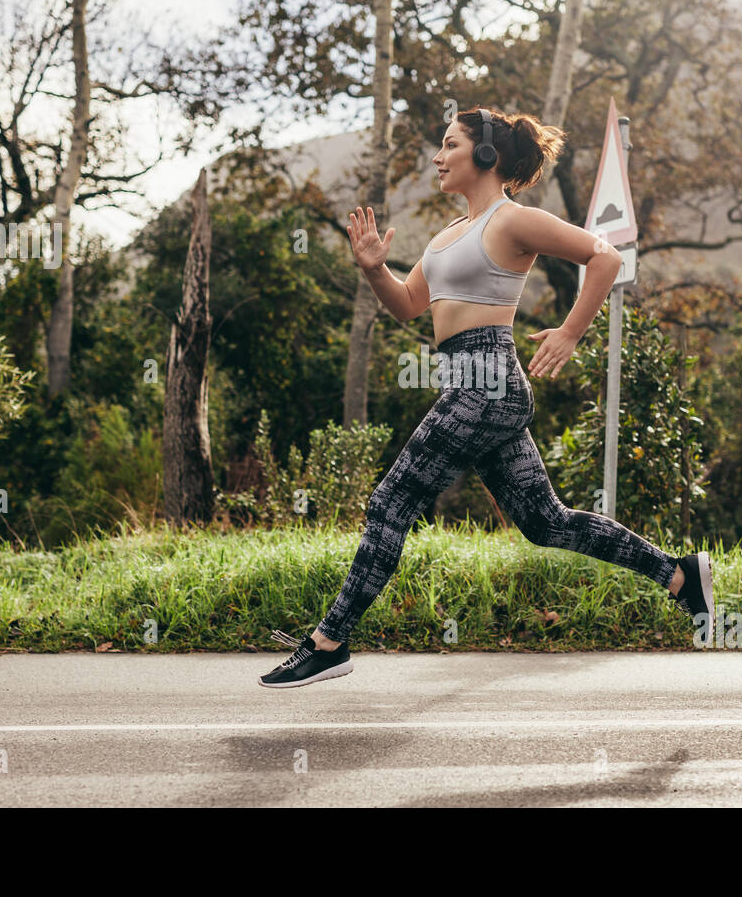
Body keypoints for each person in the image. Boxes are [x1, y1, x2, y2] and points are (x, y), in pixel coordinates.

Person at [258, 105, 713, 688]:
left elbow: (606, 256)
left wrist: (571, 332)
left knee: (390, 502)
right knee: (546, 523)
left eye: (450, 144)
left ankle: (329, 641)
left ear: (487, 155)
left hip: (487, 381)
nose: (438, 156)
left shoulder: (511, 221)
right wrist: (374, 270)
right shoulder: (447, 237)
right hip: (469, 384)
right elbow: (407, 306)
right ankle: (678, 575)